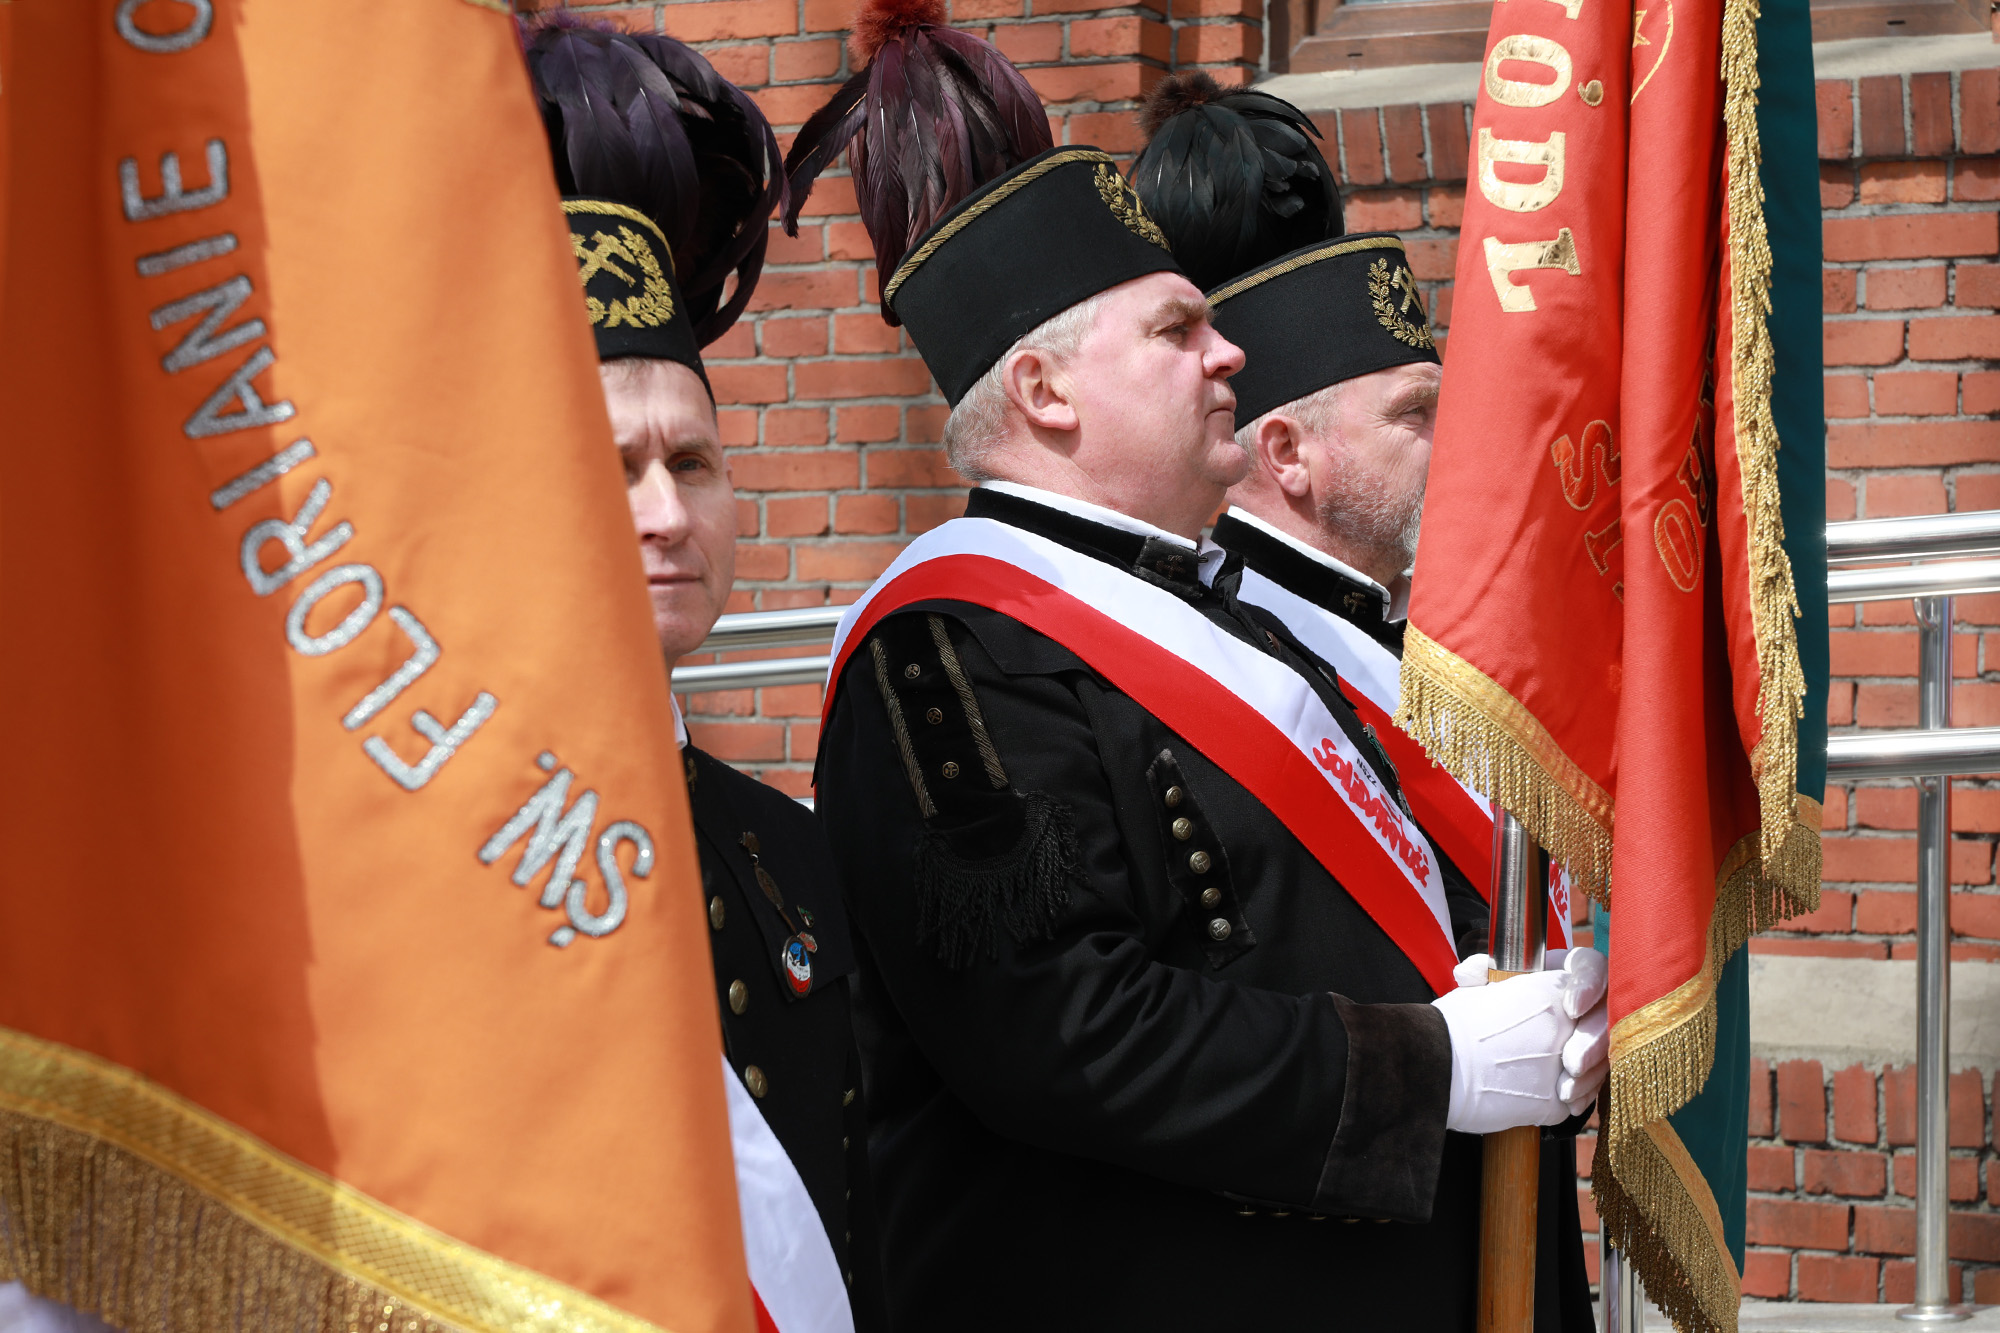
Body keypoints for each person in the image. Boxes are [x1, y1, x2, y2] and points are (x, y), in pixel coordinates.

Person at [789, 9, 1610, 1325]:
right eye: (1177, 332)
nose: (1229, 350)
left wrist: (1524, 1008)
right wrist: (1428, 1065)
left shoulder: (1226, 610)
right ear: (1046, 391)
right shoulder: (942, 651)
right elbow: (1058, 1029)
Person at [1133, 71, 1600, 1330]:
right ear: (1287, 454)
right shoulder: (1218, 653)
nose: (1460, 448)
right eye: (1417, 416)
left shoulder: (1402, 637)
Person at [522, 19, 886, 1329]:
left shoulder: (789, 851)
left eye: (692, 462)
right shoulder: (413, 845)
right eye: (611, 466)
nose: (668, 514)